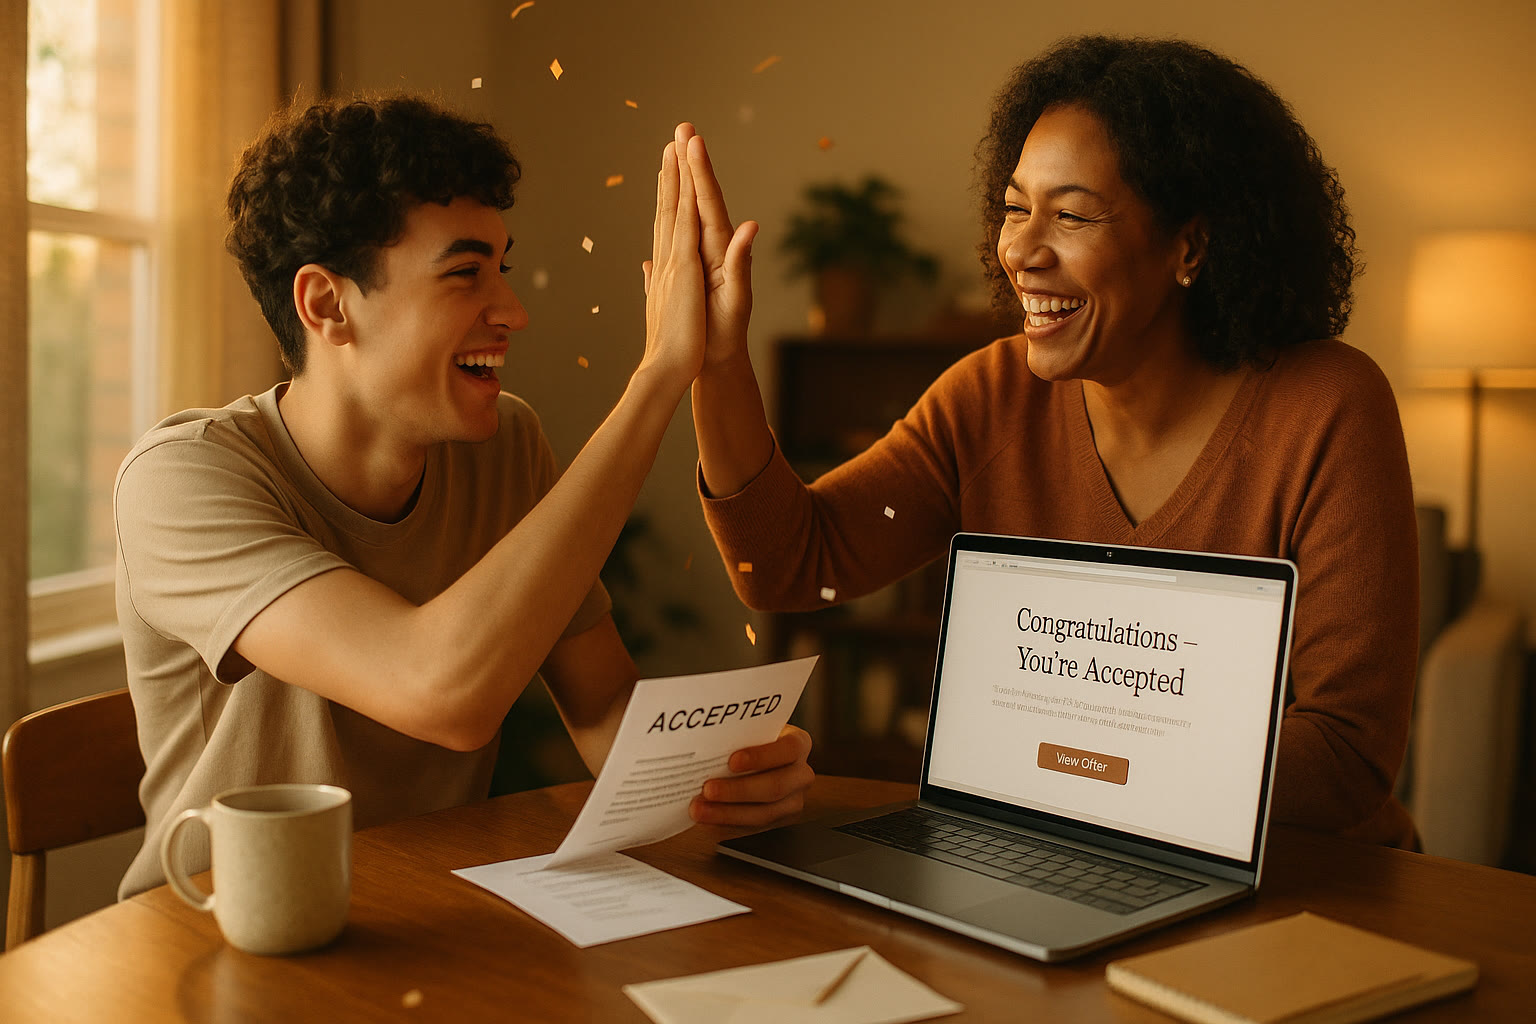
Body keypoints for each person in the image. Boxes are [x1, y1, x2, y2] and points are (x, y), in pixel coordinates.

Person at [682, 36, 1419, 848]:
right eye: (1013, 207)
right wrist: (717, 366)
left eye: (1070, 215)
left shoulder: (1327, 407)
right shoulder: (992, 396)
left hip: (1307, 890)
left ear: (1191, 247)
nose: (1021, 252)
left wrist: (1039, 759)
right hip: (1055, 859)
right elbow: (788, 565)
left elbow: (1347, 755)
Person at [114, 95, 812, 899]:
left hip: (426, 925)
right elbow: (440, 691)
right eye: (464, 274)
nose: (511, 312)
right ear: (326, 304)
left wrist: (727, 775)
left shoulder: (505, 447)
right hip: (217, 938)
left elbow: (602, 704)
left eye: (503, 270)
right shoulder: (181, 479)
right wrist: (658, 378)